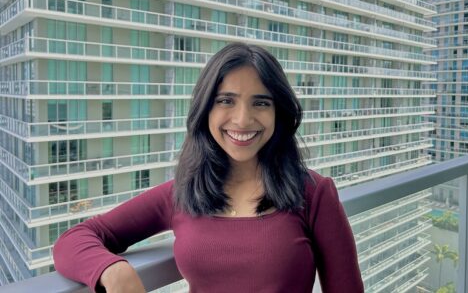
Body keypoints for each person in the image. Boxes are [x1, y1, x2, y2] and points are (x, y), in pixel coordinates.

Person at [54, 43, 364, 293]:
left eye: (260, 103)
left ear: (278, 113)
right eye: (226, 100)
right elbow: (74, 240)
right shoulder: (182, 193)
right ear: (206, 109)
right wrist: (112, 270)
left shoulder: (313, 193)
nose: (242, 120)